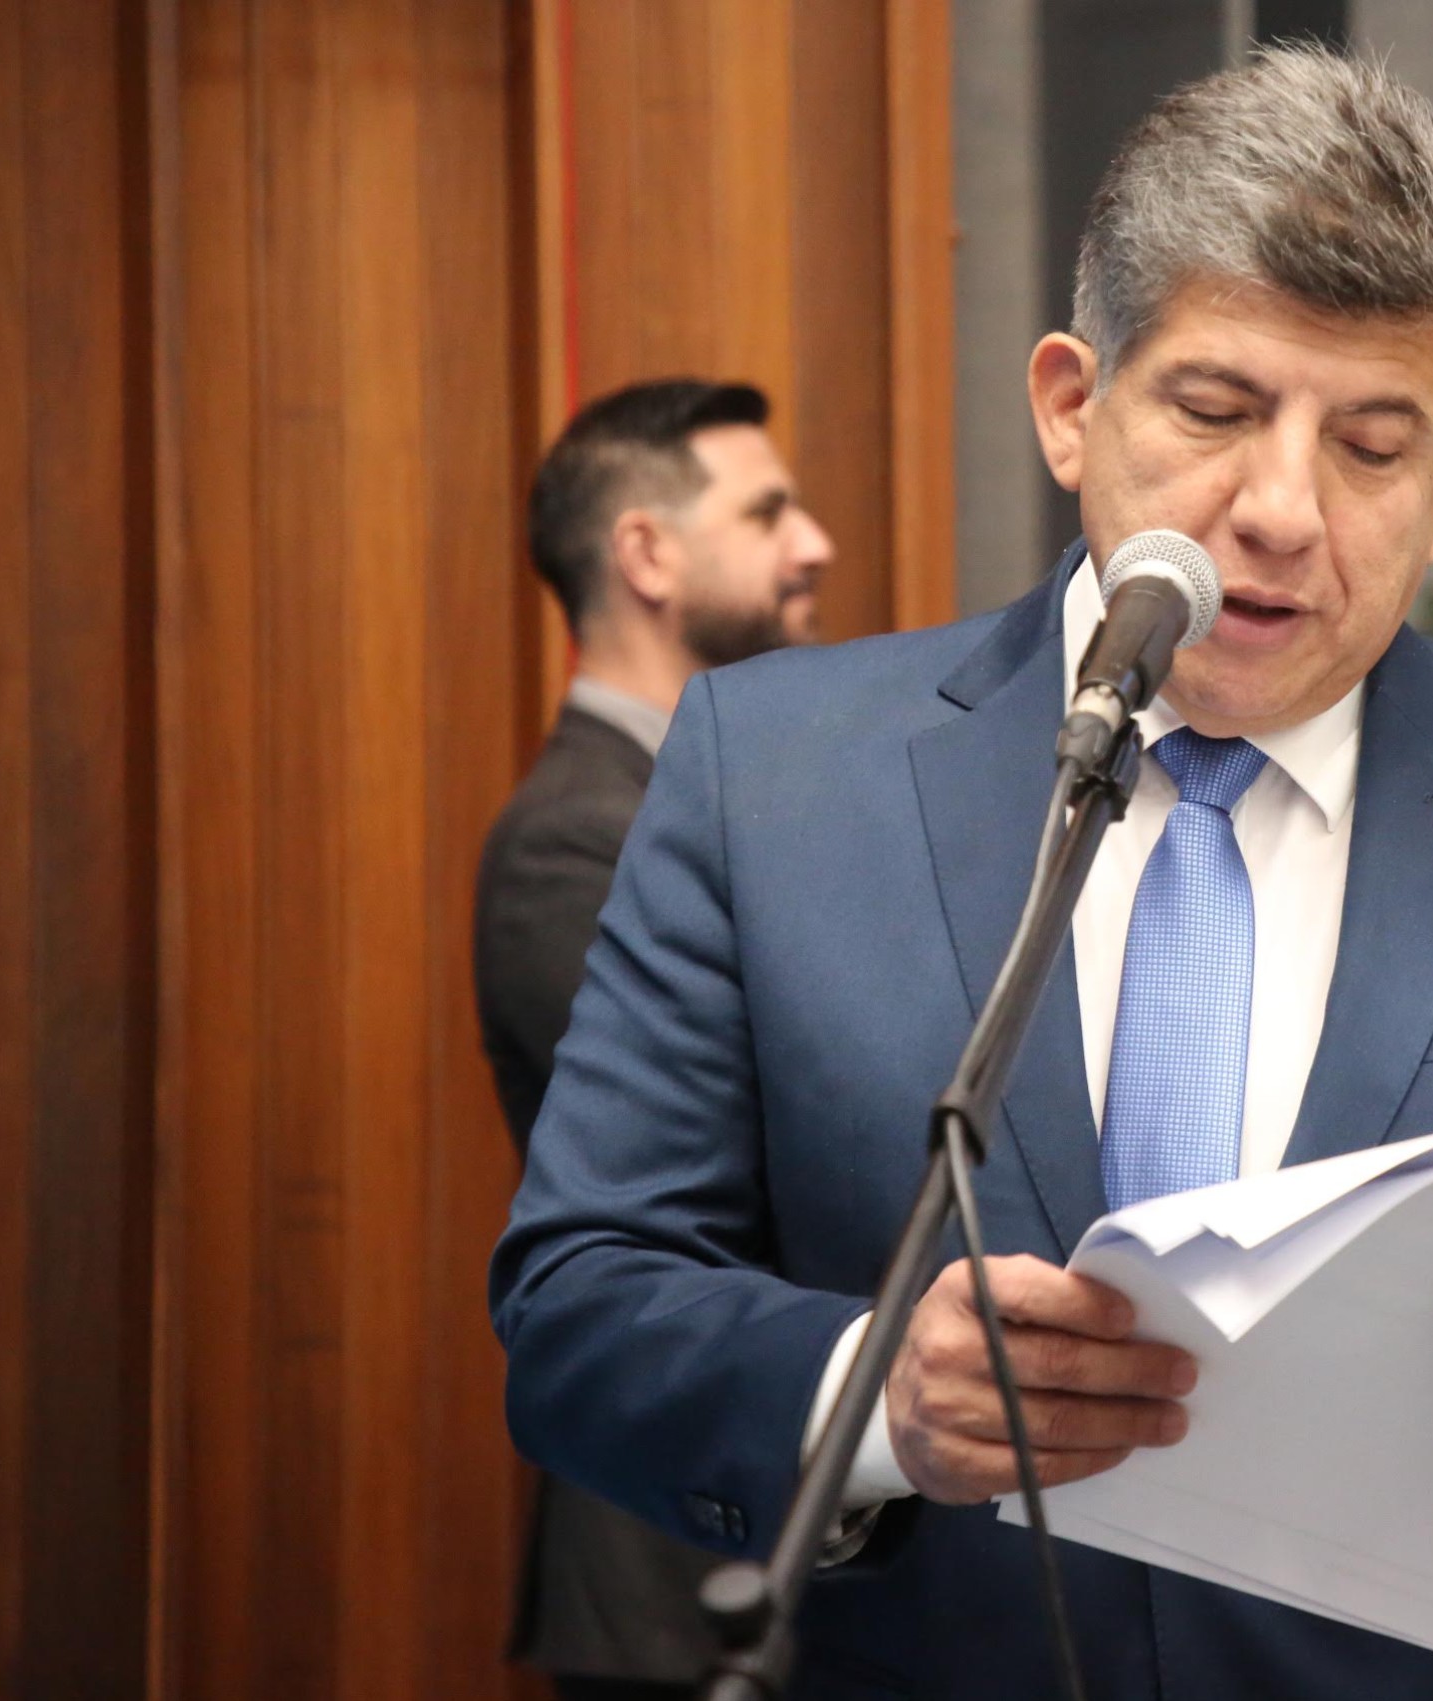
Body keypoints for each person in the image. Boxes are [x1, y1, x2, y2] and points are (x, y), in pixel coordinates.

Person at [490, 46, 1433, 1701]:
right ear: (1071, 406)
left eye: (1372, 445)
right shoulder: (773, 777)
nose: (1282, 511)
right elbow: (582, 1302)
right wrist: (874, 1398)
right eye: (1215, 413)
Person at [475, 376, 833, 1699]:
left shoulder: (737, 807)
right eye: (768, 512)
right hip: (677, 1569)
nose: (815, 545)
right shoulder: (571, 840)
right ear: (646, 554)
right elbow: (763, 1142)